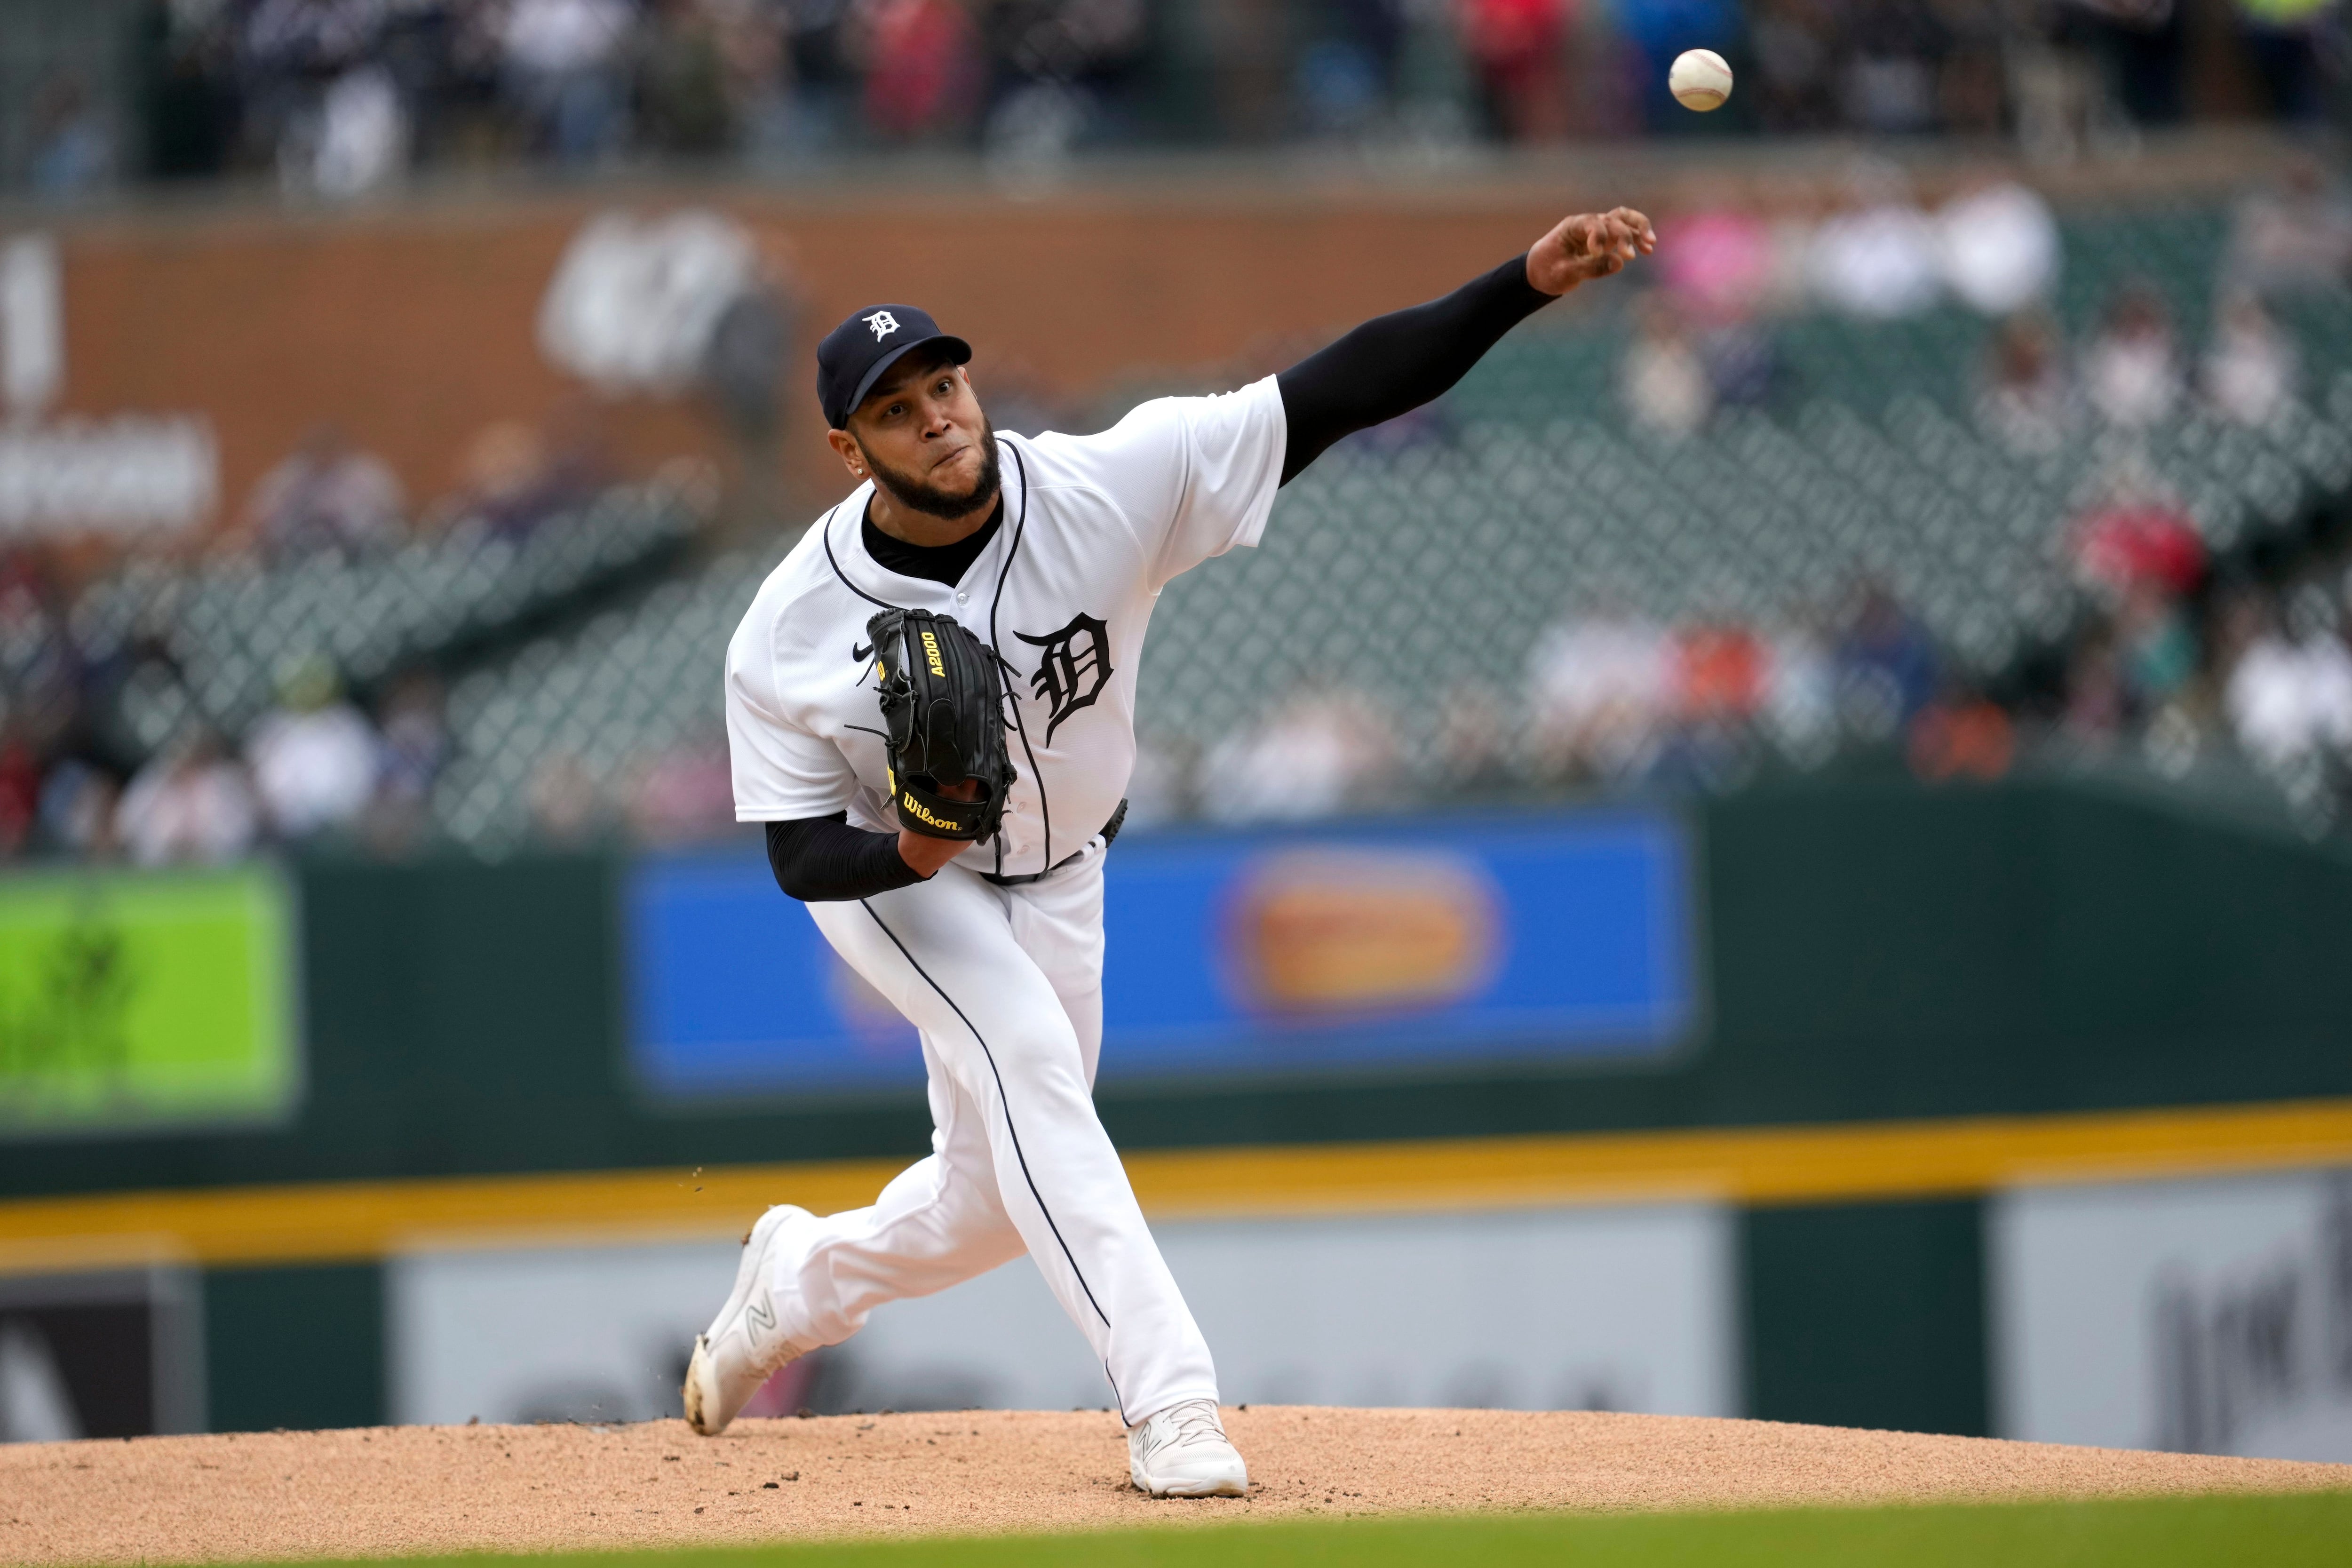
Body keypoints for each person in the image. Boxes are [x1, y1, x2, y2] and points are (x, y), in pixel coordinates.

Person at [688, 207, 1657, 1496]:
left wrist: (1522, 286)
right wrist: (914, 855)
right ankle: (1173, 1406)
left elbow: (1344, 387)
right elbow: (801, 856)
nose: (938, 415)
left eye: (945, 381)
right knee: (1031, 1064)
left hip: (1067, 871)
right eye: (896, 408)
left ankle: (797, 1280)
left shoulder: (1107, 483)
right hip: (901, 882)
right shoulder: (788, 633)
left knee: (990, 1199)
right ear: (846, 447)